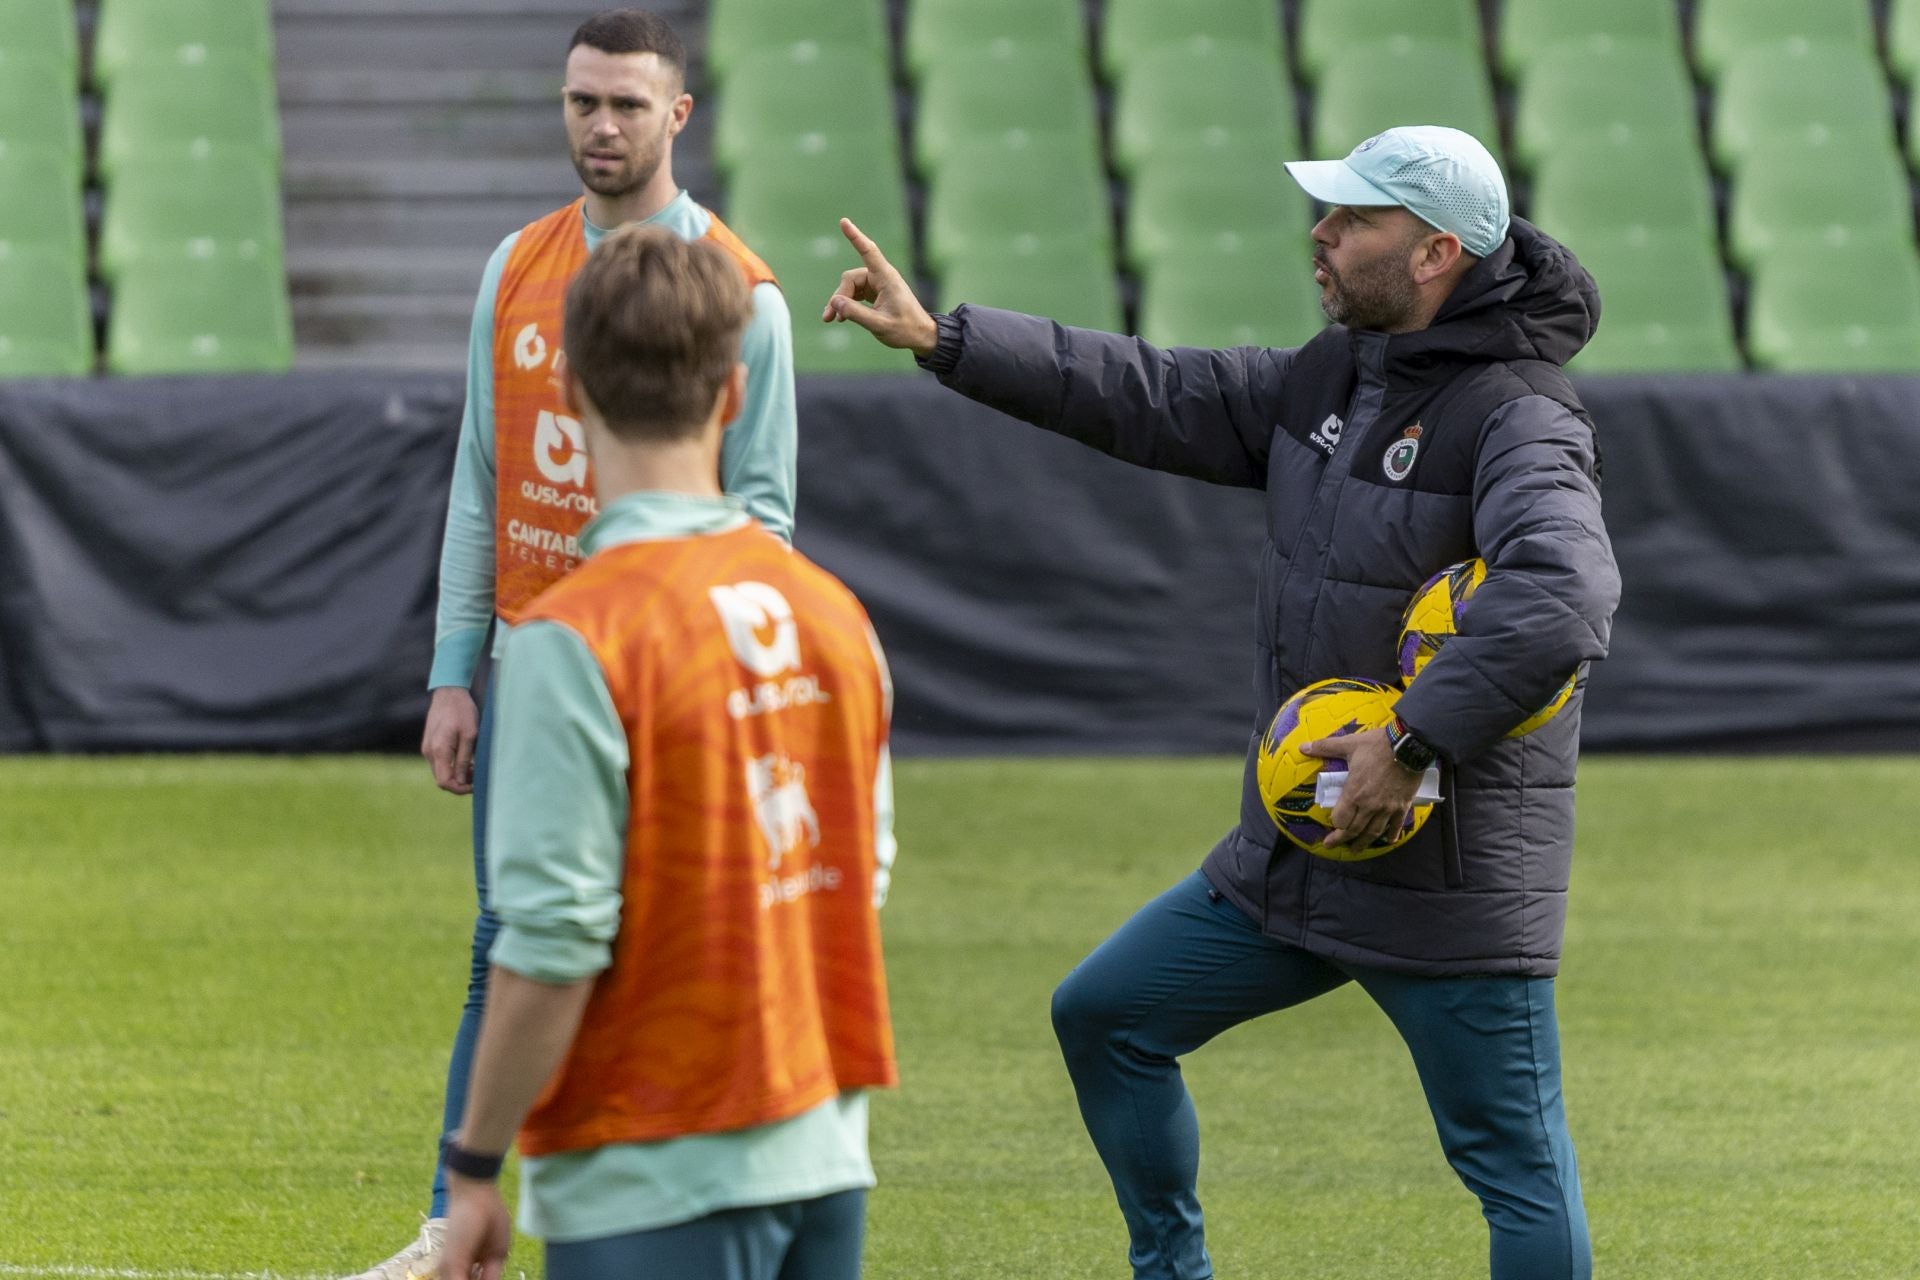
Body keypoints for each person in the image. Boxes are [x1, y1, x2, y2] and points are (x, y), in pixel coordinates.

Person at [822, 125, 1620, 1280]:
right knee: (1106, 1013)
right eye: (1328, 211)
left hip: (1448, 875)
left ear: (1439, 250)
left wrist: (1408, 740)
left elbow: (1566, 590)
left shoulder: (1522, 415)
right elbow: (1151, 390)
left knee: (1515, 1164)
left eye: (1355, 219)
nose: (1324, 234)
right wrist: (948, 340)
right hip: (1298, 842)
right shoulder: (1334, 374)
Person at [349, 10, 797, 1277]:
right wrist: (454, 668)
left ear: (679, 117)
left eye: (626, 106)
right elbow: (483, 479)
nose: (601, 127)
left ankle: (663, 1216)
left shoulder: (740, 293)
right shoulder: (515, 266)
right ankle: (459, 1225)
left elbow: (766, 518)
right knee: (509, 943)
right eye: (581, 103)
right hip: (529, 666)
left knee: (652, 954)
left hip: (664, 691)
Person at [435, 225, 897, 1279]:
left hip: (650, 1165)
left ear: (572, 394)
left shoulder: (573, 637)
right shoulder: (837, 617)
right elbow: (854, 874)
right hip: (822, 1152)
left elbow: (551, 941)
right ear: (735, 394)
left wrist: (473, 1164)